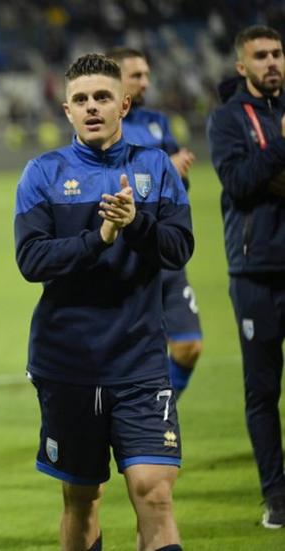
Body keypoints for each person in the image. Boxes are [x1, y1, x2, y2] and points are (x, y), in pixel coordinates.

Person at [14, 54, 193, 551]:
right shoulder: (42, 173)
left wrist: (136, 224)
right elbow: (31, 260)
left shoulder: (155, 168)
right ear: (67, 111)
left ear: (125, 105)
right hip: (68, 361)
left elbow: (180, 248)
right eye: (81, 100)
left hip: (139, 360)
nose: (92, 107)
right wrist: (101, 236)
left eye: (102, 97)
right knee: (83, 497)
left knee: (153, 493)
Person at [206, 24, 285, 529]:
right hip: (256, 270)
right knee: (262, 389)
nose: (272, 62)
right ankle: (277, 496)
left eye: (277, 53)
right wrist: (281, 146)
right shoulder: (228, 120)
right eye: (261, 56)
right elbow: (238, 182)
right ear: (242, 66)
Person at [108, 47, 203, 396]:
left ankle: (158, 409)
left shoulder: (158, 122)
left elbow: (178, 183)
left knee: (188, 345)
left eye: (146, 74)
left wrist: (176, 173)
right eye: (136, 75)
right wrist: (165, 166)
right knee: (130, 355)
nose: (145, 81)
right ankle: (139, 418)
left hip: (165, 249)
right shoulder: (106, 125)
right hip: (128, 255)